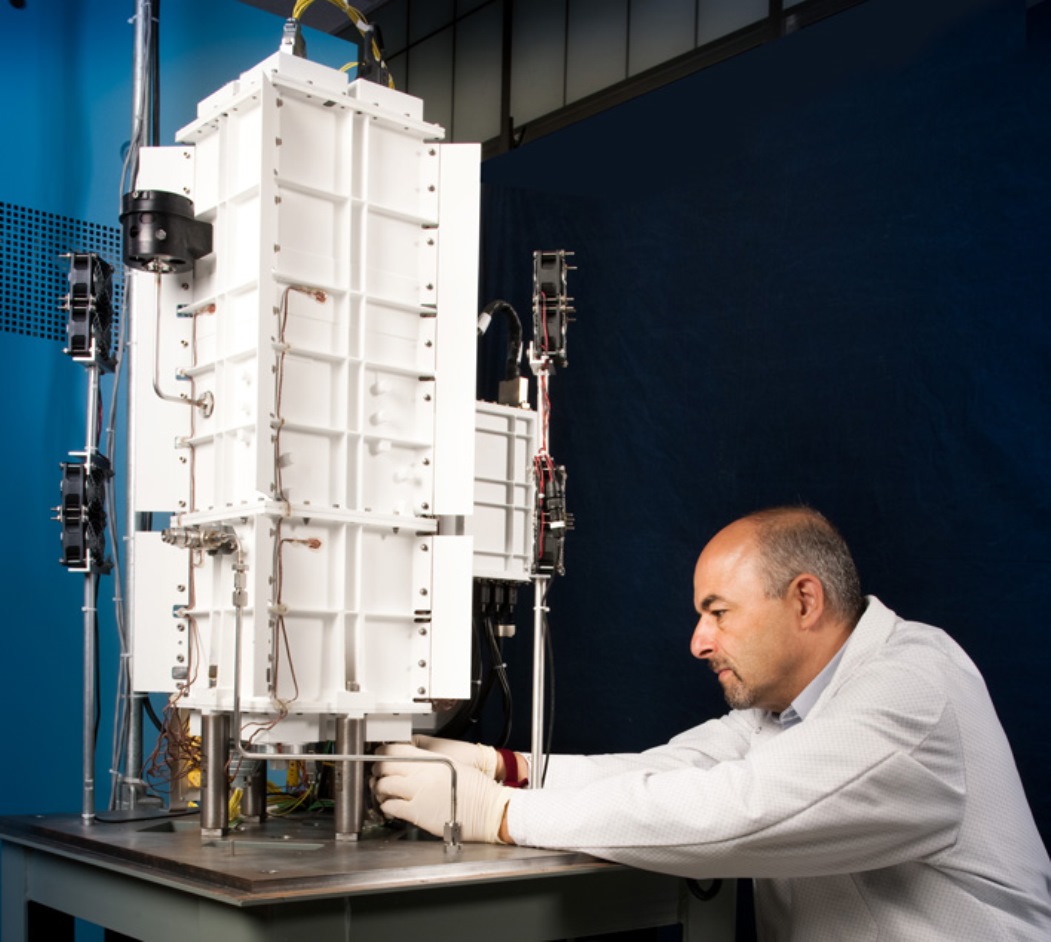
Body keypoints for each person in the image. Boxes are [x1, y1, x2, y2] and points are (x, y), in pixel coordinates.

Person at [374, 506, 1051, 939]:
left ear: (804, 600)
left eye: (717, 612)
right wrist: (504, 767)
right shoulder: (790, 708)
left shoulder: (911, 686)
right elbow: (670, 770)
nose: (698, 642)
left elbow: (739, 811)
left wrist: (497, 813)